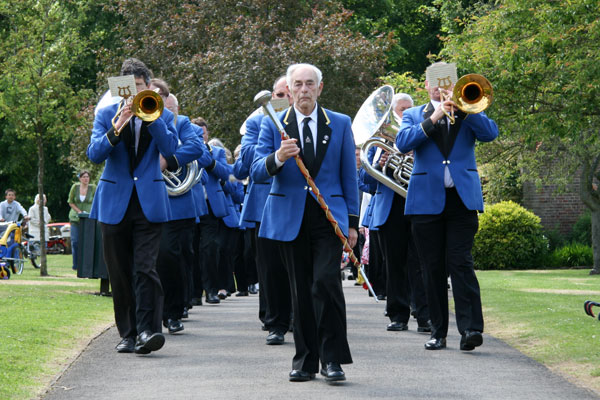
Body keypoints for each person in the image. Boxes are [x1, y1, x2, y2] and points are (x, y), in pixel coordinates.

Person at [251, 63, 359, 382]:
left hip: (329, 218)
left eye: (309, 84)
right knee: (300, 291)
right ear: (289, 88)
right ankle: (305, 361)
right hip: (289, 218)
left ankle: (333, 359)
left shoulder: (339, 123)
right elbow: (255, 170)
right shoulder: (273, 122)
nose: (303, 90)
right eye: (297, 84)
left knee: (325, 283)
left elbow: (348, 177)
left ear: (320, 88)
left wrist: (352, 223)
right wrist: (279, 158)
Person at [396, 62, 499, 351]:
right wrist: (437, 115)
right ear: (426, 86)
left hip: (461, 201)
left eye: (447, 83)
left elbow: (491, 133)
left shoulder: (469, 109)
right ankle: (437, 331)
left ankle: (471, 330)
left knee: (461, 263)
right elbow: (403, 143)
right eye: (436, 84)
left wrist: (466, 112)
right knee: (432, 268)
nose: (441, 88)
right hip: (425, 203)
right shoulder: (414, 114)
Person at [87, 58, 178, 355]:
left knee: (145, 269)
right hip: (114, 202)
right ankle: (128, 333)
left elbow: (171, 149)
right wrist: (118, 125)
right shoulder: (105, 115)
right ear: (119, 89)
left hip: (149, 203)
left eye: (139, 87)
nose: (134, 93)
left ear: (148, 87)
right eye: (129, 88)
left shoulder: (160, 113)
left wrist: (153, 119)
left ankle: (148, 331)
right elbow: (95, 154)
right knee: (120, 271)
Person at [359, 93, 430, 333]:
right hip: (390, 209)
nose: (404, 115)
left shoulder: (421, 136)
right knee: (394, 264)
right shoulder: (379, 143)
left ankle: (425, 315)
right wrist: (380, 164)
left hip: (419, 205)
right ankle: (398, 315)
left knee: (420, 263)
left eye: (409, 110)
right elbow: (364, 181)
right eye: (400, 111)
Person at [234, 75, 293, 344]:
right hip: (264, 200)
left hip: (293, 199)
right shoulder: (257, 122)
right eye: (277, 95)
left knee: (293, 263)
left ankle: (294, 315)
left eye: (286, 94)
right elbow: (246, 163)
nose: (282, 99)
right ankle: (272, 319)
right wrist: (263, 127)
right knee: (268, 265)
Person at [148, 80, 205, 334]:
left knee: (174, 257)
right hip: (148, 197)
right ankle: (152, 313)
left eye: (167, 105)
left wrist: (168, 161)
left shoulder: (181, 123)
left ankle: (173, 311)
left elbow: (196, 148)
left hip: (177, 203)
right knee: (154, 259)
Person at [68, 170, 96, 271]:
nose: (86, 179)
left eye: (87, 177)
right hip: (75, 218)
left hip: (89, 218)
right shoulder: (75, 187)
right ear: (80, 178)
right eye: (84, 177)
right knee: (75, 242)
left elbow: (97, 201)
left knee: (88, 242)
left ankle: (87, 264)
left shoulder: (93, 188)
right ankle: (76, 265)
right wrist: (79, 211)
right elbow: (70, 202)